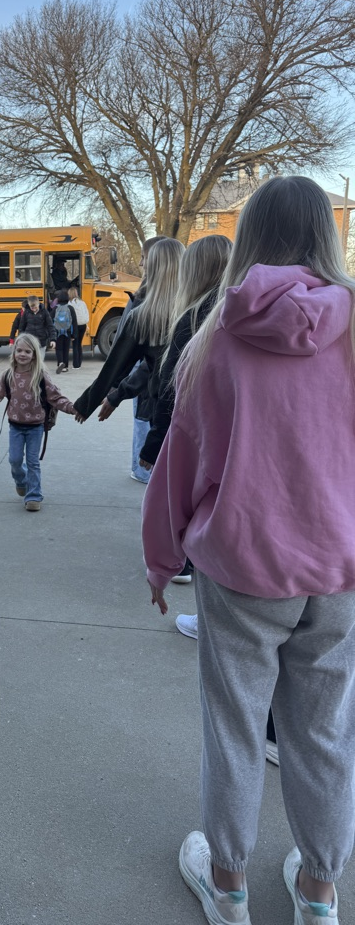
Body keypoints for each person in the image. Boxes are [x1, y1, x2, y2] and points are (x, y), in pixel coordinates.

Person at [142, 176, 355, 925]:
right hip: (339, 566)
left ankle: (228, 888)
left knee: (234, 729)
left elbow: (183, 459)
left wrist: (160, 556)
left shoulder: (218, 337)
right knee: (325, 733)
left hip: (241, 567)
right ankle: (320, 894)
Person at [135, 235, 231, 612]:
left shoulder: (198, 323)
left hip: (215, 459)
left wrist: (160, 565)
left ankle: (187, 566)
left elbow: (175, 401)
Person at [73, 239, 183, 456]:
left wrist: (89, 402)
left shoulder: (144, 315)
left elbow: (117, 364)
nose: (141, 265)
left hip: (165, 412)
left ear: (156, 266)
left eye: (145, 259)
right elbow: (155, 366)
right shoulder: (199, 311)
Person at [0, 333, 76, 511]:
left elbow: (56, 398)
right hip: (15, 427)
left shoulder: (41, 376)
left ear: (34, 354)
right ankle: (21, 481)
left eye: (27, 351)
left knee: (32, 462)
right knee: (14, 460)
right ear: (14, 352)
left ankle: (34, 496)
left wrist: (75, 408)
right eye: (19, 350)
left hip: (36, 427)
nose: (22, 354)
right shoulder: (8, 376)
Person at [52, 288, 78, 373]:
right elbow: (74, 322)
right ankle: (65, 366)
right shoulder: (70, 308)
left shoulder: (55, 308)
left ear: (58, 299)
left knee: (58, 349)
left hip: (57, 331)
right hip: (68, 331)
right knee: (66, 349)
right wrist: (74, 335)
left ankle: (60, 363)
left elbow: (51, 320)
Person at [68, 286, 89, 368]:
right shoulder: (82, 302)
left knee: (75, 345)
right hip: (83, 325)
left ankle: (75, 365)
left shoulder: (70, 304)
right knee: (79, 344)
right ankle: (79, 363)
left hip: (75, 325)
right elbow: (86, 312)